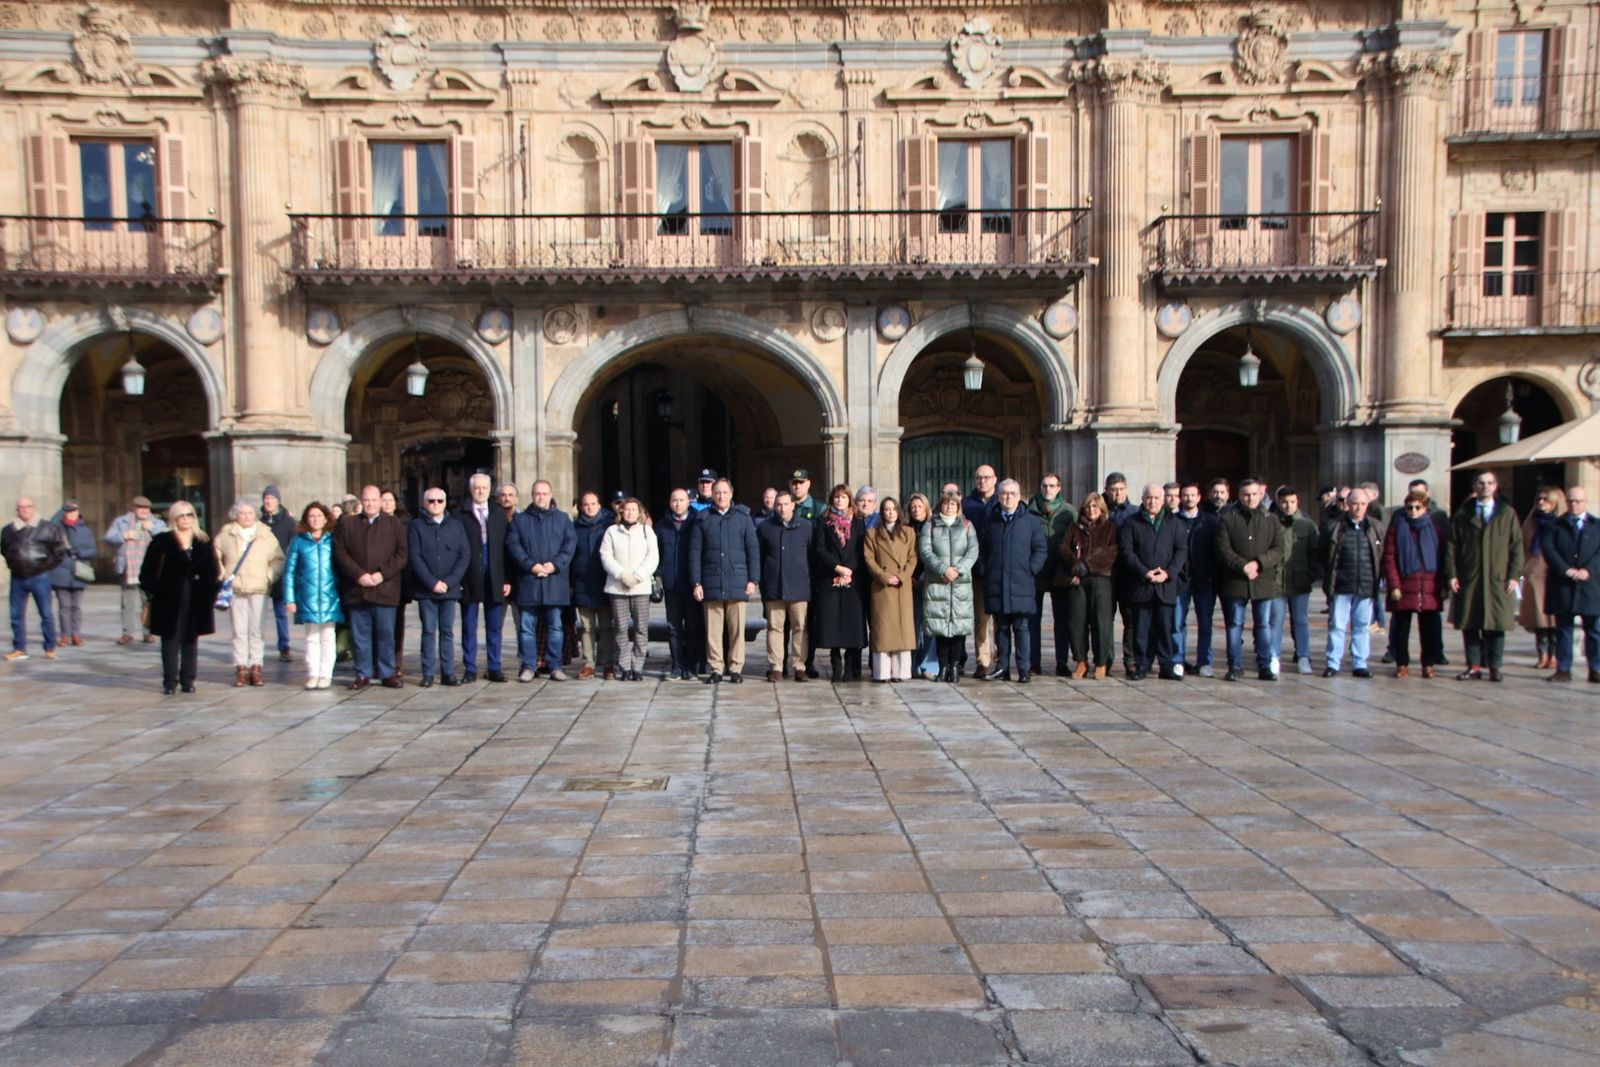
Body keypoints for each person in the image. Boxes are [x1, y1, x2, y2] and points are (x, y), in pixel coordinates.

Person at [1445, 470, 1524, 682]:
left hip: (1498, 578)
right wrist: (1452, 574)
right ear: (1474, 486)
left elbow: (1516, 546)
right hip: (1470, 577)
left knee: (1496, 624)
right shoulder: (1464, 512)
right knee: (1470, 623)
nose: (1485, 487)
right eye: (1481, 483)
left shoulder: (1506, 513)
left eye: (1489, 483)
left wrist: (1514, 575)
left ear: (1496, 486)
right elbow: (1452, 545)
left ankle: (1495, 666)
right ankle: (1474, 665)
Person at [138, 501, 218, 694]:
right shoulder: (161, 541)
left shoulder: (203, 542)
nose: (185, 519)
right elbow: (147, 573)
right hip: (168, 598)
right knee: (170, 640)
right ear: (174, 519)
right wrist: (155, 590)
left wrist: (210, 592)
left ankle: (188, 679)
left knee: (191, 639)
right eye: (181, 516)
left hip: (196, 597)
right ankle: (170, 681)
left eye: (189, 515)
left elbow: (212, 571)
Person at [335, 485, 409, 690]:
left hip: (385, 588)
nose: (370, 504)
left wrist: (380, 575)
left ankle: (387, 673)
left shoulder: (395, 525)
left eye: (374, 500)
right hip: (358, 589)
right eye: (366, 500)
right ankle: (362, 673)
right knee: (360, 636)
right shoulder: (348, 524)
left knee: (386, 634)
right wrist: (359, 575)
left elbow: (402, 555)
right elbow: (340, 553)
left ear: (380, 502)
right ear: (361, 501)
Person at [690, 477, 760, 684]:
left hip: (737, 580)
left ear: (731, 494)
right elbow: (695, 553)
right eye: (717, 492)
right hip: (711, 581)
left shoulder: (743, 518)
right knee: (713, 630)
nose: (720, 496)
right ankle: (716, 668)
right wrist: (696, 582)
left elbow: (753, 551)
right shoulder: (703, 518)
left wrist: (753, 579)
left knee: (737, 629)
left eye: (724, 492)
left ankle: (736, 667)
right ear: (712, 494)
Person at [1216, 478, 1285, 682]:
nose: (1250, 498)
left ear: (1261, 494)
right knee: (1235, 624)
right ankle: (1235, 666)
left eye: (1254, 494)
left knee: (1263, 624)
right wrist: (1242, 566)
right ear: (1239, 495)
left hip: (1263, 580)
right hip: (1236, 580)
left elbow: (1279, 548)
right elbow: (1223, 548)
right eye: (1246, 494)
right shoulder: (1227, 518)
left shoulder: (1271, 519)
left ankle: (1265, 665)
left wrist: (1259, 563)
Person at [507, 480, 576, 682]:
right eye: (537, 493)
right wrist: (531, 565)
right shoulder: (520, 520)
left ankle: (555, 666)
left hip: (555, 582)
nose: (541, 497)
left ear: (551, 494)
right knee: (527, 628)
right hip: (529, 581)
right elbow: (514, 546)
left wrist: (555, 565)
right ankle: (529, 666)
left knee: (556, 627)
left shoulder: (563, 519)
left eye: (545, 493)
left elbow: (570, 545)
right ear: (532, 495)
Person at [213, 497, 286, 687]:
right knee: (239, 630)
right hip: (236, 588)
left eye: (250, 513)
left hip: (259, 588)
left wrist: (269, 576)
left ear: (256, 515)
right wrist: (221, 573)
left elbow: (279, 558)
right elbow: (215, 555)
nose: (246, 516)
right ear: (236, 515)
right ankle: (241, 667)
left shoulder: (265, 534)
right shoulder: (226, 534)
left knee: (257, 630)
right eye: (242, 513)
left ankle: (256, 666)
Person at [1119, 484, 1187, 680]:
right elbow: (1127, 551)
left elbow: (1181, 551)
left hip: (1165, 586)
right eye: (1149, 497)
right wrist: (1144, 572)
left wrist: (1168, 572)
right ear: (1142, 498)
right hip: (1141, 585)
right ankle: (1142, 665)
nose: (1153, 501)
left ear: (1163, 499)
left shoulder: (1174, 523)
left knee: (1165, 628)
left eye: (1157, 498)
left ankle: (1166, 665)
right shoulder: (1132, 522)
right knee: (1141, 629)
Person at [981, 480, 1047, 683]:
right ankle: (1002, 668)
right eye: (1004, 494)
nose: (1008, 497)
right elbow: (983, 549)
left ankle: (1023, 668)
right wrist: (986, 569)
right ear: (998, 496)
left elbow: (1040, 549)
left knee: (1022, 628)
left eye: (1012, 494)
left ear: (1019, 497)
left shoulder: (1030, 522)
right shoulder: (991, 521)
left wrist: (1031, 569)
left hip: (1021, 583)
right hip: (998, 583)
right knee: (1001, 630)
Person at [408, 487, 470, 687]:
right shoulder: (416, 526)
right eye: (431, 501)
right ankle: (427, 673)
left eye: (439, 501)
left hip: (449, 589)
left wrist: (450, 582)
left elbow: (464, 555)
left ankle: (448, 672)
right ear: (424, 503)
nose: (435, 504)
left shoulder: (456, 525)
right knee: (428, 631)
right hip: (427, 589)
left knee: (447, 631)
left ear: (445, 503)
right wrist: (432, 583)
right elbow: (415, 557)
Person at [1383, 489, 1448, 678]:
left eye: (1417, 507)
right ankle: (1402, 663)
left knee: (1429, 630)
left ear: (1425, 508)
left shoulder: (1435, 529)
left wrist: (1442, 584)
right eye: (1409, 507)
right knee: (1401, 629)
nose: (1413, 510)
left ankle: (1428, 664)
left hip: (1429, 586)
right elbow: (1389, 558)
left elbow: (1442, 557)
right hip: (1405, 585)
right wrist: (1394, 585)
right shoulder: (1397, 528)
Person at [1322, 487, 1384, 678]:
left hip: (1365, 584)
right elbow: (1324, 553)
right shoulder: (1335, 526)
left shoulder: (1376, 527)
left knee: (1361, 626)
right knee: (1337, 626)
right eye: (1355, 503)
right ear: (1347, 504)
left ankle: (1360, 662)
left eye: (1363, 504)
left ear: (1368, 505)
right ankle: (1333, 662)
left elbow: (1381, 555)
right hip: (1341, 584)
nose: (1358, 507)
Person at [456, 473, 511, 684]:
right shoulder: (460, 514)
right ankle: (470, 667)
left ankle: (494, 666)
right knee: (469, 625)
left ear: (490, 490)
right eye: (477, 488)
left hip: (495, 576)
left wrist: (507, 579)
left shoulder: (498, 514)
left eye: (484, 488)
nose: (480, 491)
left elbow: (506, 549)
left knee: (494, 626)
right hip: (470, 577)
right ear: (471, 490)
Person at [919, 491, 979, 683]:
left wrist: (958, 570)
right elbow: (925, 551)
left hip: (960, 584)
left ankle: (955, 666)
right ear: (940, 505)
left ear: (958, 507)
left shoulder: (967, 526)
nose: (949, 507)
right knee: (940, 628)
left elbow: (973, 551)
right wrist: (943, 569)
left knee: (958, 627)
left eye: (953, 504)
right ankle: (943, 666)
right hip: (938, 583)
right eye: (946, 504)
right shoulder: (931, 526)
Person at [283, 502, 342, 689]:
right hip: (307, 596)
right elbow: (289, 571)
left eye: (319, 516)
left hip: (330, 595)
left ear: (326, 518)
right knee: (311, 637)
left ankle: (326, 674)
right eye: (311, 516)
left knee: (327, 635)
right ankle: (313, 673)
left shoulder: (333, 540)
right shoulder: (298, 541)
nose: (315, 519)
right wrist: (290, 598)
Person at [1543, 486, 1599, 683]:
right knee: (1563, 629)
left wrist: (1588, 570)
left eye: (1578, 501)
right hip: (1563, 585)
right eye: (1570, 501)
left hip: (1590, 586)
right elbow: (1549, 550)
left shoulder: (1596, 525)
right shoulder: (1555, 525)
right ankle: (1563, 669)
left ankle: (1596, 668)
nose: (1574, 504)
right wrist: (1566, 570)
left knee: (1594, 630)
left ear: (1585, 502)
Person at [812, 484, 868, 681]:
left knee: (852, 625)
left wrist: (849, 570)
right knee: (833, 623)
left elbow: (862, 549)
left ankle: (851, 668)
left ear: (849, 499)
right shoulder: (823, 520)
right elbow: (820, 548)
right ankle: (836, 666)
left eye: (843, 497)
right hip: (831, 577)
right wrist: (838, 568)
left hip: (853, 578)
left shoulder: (859, 520)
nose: (839, 500)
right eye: (836, 497)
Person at [600, 496, 658, 681]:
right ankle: (624, 666)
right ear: (621, 512)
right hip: (618, 588)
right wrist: (621, 575)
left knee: (641, 628)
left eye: (634, 509)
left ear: (639, 512)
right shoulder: (612, 531)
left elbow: (653, 557)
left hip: (640, 588)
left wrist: (638, 576)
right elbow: (606, 556)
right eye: (627, 509)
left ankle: (638, 666)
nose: (630, 512)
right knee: (620, 628)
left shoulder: (646, 531)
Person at [3, 497, 68, 661]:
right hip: (18, 577)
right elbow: (4, 549)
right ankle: (19, 648)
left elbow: (59, 551)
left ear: (33, 508)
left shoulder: (48, 528)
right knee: (16, 614)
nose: (24, 510)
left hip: (40, 577)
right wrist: (14, 563)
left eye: (28, 507)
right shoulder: (9, 530)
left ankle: (50, 647)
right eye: (21, 507)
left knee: (46, 613)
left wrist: (45, 566)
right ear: (17, 510)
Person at [757, 490, 811, 683]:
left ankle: (799, 666)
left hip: (799, 586)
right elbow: (760, 557)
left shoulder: (806, 527)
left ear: (793, 505)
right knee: (775, 627)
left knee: (800, 627)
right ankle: (776, 667)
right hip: (774, 586)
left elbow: (811, 557)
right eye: (778, 504)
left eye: (785, 504)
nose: (782, 508)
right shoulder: (765, 528)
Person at [1063, 492, 1118, 679]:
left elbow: (1111, 551)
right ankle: (1080, 661)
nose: (1091, 510)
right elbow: (1063, 548)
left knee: (1101, 622)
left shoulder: (1110, 528)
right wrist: (1075, 564)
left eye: (1095, 507)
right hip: (1078, 579)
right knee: (1077, 621)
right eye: (1088, 507)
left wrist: (1088, 564)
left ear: (1102, 509)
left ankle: (1101, 662)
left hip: (1101, 578)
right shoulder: (1075, 527)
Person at [864, 497, 918, 683]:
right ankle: (882, 673)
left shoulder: (908, 533)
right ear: (881, 512)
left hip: (902, 588)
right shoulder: (872, 534)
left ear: (899, 511)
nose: (890, 513)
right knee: (884, 631)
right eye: (886, 509)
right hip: (883, 588)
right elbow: (869, 559)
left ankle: (901, 672)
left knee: (902, 631)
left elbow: (913, 558)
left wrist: (902, 577)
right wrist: (884, 577)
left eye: (893, 509)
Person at [1028, 473, 1075, 677]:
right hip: (1036, 572)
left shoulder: (1069, 512)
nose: (1048, 489)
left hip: (1060, 572)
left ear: (1059, 488)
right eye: (1045, 485)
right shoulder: (1029, 511)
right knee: (1032, 620)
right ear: (1040, 487)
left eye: (1052, 486)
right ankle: (1033, 661)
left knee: (1061, 620)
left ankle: (1062, 661)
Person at [1270, 487, 1321, 675]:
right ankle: (1273, 656)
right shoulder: (1271, 522)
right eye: (1284, 502)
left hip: (1300, 580)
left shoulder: (1307, 525)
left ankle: (1303, 656)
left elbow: (1316, 553)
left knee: (1300, 620)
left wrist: (1311, 575)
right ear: (1278, 502)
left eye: (1292, 501)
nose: (1288, 505)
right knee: (1275, 620)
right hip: (1276, 581)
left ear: (1297, 501)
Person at [1171, 483, 1220, 677]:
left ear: (1199, 497)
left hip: (1203, 580)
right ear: (1180, 498)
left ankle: (1204, 661)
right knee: (1177, 623)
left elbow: (1216, 552)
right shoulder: (1173, 521)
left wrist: (1210, 575)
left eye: (1193, 495)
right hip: (1180, 581)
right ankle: (1178, 660)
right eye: (1185, 495)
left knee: (1205, 623)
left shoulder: (1210, 522)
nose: (1189, 498)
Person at [105, 495, 166, 645]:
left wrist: (153, 529)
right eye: (141, 508)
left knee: (148, 603)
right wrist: (124, 535)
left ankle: (148, 632)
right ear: (134, 509)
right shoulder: (122, 522)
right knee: (128, 604)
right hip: (129, 569)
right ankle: (128, 633)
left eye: (146, 509)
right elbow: (108, 538)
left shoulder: (157, 522)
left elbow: (167, 538)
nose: (144, 511)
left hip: (150, 570)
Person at [655, 488, 700, 681]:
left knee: (692, 626)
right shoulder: (661, 526)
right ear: (669, 502)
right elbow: (656, 555)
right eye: (674, 500)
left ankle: (690, 665)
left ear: (688, 502)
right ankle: (677, 665)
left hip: (691, 583)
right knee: (673, 627)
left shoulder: (697, 523)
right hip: (671, 584)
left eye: (682, 500)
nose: (678, 504)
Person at [1519, 486, 1566, 670]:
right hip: (1534, 574)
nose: (1541, 502)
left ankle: (1554, 655)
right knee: (1538, 618)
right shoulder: (1531, 521)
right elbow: (1522, 545)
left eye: (1546, 499)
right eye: (1539, 498)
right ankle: (1542, 654)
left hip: (1553, 573)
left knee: (1553, 619)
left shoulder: (1560, 523)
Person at [571, 491, 616, 680]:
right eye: (586, 504)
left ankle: (607, 664)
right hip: (583, 582)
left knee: (606, 626)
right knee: (587, 627)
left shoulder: (610, 525)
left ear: (599, 505)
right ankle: (589, 663)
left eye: (593, 504)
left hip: (604, 581)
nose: (589, 507)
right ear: (581, 507)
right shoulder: (574, 527)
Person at [964, 465, 999, 678]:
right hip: (978, 569)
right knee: (981, 618)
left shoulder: (1002, 501)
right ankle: (983, 661)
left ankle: (1001, 659)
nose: (982, 481)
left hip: (999, 569)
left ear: (995, 479)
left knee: (1002, 621)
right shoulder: (967, 504)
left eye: (986, 477)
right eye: (978, 477)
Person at [48, 501, 96, 647]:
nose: (72, 514)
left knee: (77, 606)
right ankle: (64, 635)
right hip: (61, 571)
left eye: (74, 511)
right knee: (64, 606)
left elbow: (93, 550)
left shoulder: (85, 530)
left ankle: (75, 634)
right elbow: (50, 525)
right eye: (69, 511)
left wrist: (81, 553)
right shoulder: (56, 529)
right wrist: (61, 511)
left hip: (79, 571)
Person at [260, 485, 296, 663]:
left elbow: (293, 546)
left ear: (278, 501)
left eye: (272, 498)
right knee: (258, 614)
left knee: (281, 613)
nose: (269, 501)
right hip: (261, 574)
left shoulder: (288, 522)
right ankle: (256, 648)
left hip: (281, 574)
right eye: (266, 498)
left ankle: (284, 646)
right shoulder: (259, 522)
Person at [905, 493, 938, 681]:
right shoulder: (906, 529)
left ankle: (929, 664)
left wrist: (926, 576)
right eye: (913, 507)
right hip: (910, 582)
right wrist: (910, 577)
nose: (916, 510)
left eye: (919, 506)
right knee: (913, 625)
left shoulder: (934, 528)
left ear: (926, 508)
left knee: (930, 625)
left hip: (930, 581)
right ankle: (913, 664)